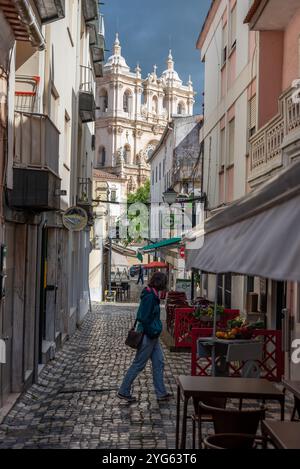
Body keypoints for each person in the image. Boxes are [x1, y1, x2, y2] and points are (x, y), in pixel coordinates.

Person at [118, 272, 172, 403]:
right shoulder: (150, 296)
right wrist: (152, 331)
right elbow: (143, 317)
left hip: (153, 336)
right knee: (138, 364)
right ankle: (123, 391)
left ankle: (161, 393)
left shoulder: (152, 294)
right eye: (165, 282)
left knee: (159, 362)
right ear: (160, 283)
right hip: (148, 336)